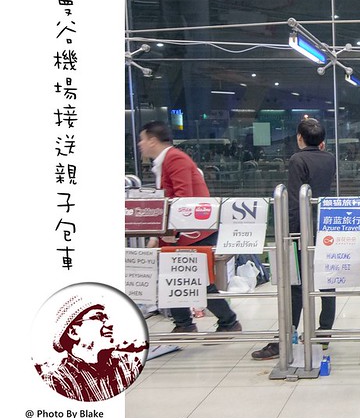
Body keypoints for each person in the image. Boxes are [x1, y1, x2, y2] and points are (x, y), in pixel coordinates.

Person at [138, 120, 242, 333]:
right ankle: (185, 324)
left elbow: (183, 199)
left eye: (142, 139)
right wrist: (160, 234)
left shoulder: (175, 159)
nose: (140, 144)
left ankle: (227, 321)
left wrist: (169, 233)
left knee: (197, 280)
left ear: (152, 140)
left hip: (194, 231)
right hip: (184, 231)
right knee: (174, 278)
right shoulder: (165, 161)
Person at [251, 117, 336, 360]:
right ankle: (325, 331)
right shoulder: (329, 158)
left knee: (296, 284)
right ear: (323, 141)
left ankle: (287, 336)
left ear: (299, 137)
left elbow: (295, 198)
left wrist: (289, 231)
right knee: (326, 279)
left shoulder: (297, 159)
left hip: (302, 227)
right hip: (324, 224)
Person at [37, 296, 145, 401]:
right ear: (73, 332)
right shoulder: (57, 380)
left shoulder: (128, 364)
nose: (110, 324)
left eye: (106, 318)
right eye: (98, 317)